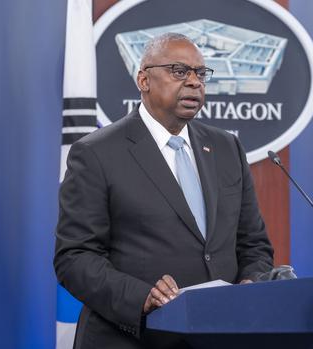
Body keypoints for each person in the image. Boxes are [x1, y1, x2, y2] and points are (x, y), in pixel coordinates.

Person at [54, 33, 274, 349]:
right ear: (144, 79)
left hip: (218, 336)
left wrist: (252, 282)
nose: (195, 82)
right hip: (131, 338)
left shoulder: (226, 147)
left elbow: (253, 243)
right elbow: (74, 257)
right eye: (179, 71)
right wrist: (142, 296)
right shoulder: (97, 153)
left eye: (201, 73)